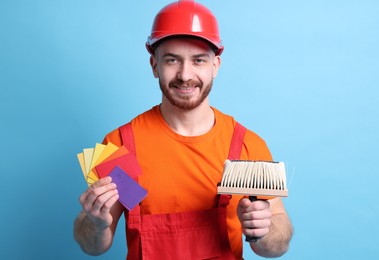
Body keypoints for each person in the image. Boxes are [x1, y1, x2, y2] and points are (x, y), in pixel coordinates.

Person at [74, 1, 293, 259]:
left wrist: (264, 231)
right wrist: (95, 224)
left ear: (216, 66)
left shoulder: (247, 144)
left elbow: (279, 242)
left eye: (198, 60)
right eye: (172, 60)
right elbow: (92, 245)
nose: (185, 74)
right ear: (155, 66)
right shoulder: (117, 145)